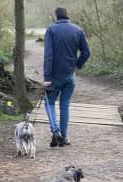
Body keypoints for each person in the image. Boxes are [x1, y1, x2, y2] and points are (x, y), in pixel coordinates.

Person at [43, 7, 90, 147]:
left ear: (56, 16)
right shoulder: (78, 30)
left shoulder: (51, 30)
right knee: (65, 105)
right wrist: (77, 65)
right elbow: (86, 52)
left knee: (49, 102)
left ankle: (55, 131)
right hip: (70, 75)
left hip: (54, 75)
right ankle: (63, 137)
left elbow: (48, 55)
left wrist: (47, 77)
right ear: (67, 16)